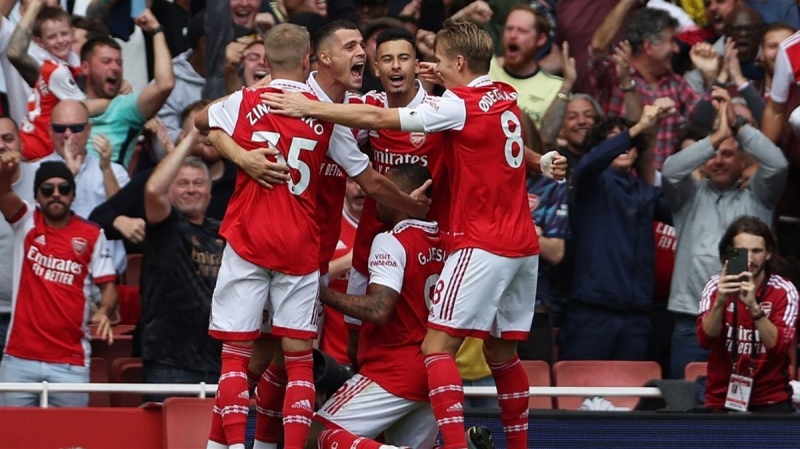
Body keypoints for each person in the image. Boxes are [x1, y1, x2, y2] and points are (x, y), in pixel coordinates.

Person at [263, 20, 566, 449]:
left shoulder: (452, 105)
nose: (429, 67)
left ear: (457, 62)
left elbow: (377, 117)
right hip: (520, 245)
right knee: (502, 354)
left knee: (436, 348)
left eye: (434, 60)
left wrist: (307, 107)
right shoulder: (505, 96)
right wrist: (541, 161)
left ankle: (454, 445)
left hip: (477, 241)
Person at [194, 23, 430, 449]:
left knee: (268, 359)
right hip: (295, 246)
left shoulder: (344, 108)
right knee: (272, 357)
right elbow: (371, 179)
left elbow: (206, 123)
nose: (362, 53)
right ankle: (229, 442)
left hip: (291, 248)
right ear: (317, 59)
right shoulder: (309, 109)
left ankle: (244, 444)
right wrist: (243, 157)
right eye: (350, 46)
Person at [662, 88, 788, 378]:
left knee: (741, 401)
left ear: (743, 160)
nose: (718, 160)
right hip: (691, 317)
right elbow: (670, 171)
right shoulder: (687, 196)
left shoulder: (758, 197)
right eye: (714, 155)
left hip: (745, 319)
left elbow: (778, 164)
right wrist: (715, 138)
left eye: (728, 154)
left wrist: (738, 127)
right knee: (684, 400)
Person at [315, 163, 442, 449]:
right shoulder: (442, 240)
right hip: (433, 372)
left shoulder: (390, 240)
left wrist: (318, 292)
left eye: (383, 191)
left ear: (400, 196)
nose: (375, 198)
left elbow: (378, 309)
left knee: (312, 436)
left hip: (393, 371)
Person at [559, 102, 674, 361]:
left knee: (633, 387)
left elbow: (679, 212)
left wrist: (650, 132)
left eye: (629, 142)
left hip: (637, 317)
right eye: (614, 140)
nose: (624, 146)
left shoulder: (645, 191)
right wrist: (637, 129)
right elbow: (591, 162)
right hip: (591, 314)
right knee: (581, 386)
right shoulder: (589, 181)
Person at [0, 158, 117, 407]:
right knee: (12, 432)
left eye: (64, 188)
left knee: (68, 433)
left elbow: (108, 286)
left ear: (73, 194)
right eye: (47, 189)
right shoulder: (26, 220)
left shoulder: (93, 234)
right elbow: (3, 192)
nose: (56, 194)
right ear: (36, 196)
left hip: (70, 362)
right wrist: (5, 172)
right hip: (20, 358)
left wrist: (105, 310)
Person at [139, 126, 224, 402]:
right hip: (169, 364)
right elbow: (153, 189)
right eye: (183, 183)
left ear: (210, 193)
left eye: (198, 183)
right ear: (171, 192)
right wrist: (190, 140)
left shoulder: (225, 233)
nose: (191, 190)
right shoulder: (166, 226)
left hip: (219, 362)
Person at [698, 215, 798, 413]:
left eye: (757, 251)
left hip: (771, 400)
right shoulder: (715, 286)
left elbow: (778, 346)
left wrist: (754, 307)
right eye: (742, 251)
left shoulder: (784, 291)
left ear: (768, 253)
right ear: (730, 253)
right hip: (721, 398)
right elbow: (705, 340)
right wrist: (719, 303)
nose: (750, 260)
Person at [589, 4, 710, 169]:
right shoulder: (616, 72)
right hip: (617, 176)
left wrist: (710, 76)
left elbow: (703, 119)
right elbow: (598, 47)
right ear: (648, 46)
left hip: (662, 180)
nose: (676, 49)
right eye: (672, 41)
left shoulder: (675, 82)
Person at [40, 99, 129, 274]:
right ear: (50, 131)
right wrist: (69, 175)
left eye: (76, 128)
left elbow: (123, 217)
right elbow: (37, 224)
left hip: (108, 276)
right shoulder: (37, 171)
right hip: (57, 276)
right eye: (59, 129)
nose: (68, 135)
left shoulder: (114, 171)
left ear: (88, 130)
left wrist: (106, 169)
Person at [80, 8, 174, 168]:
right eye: (106, 61)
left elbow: (164, 84)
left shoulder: (125, 107)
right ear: (85, 67)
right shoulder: (68, 97)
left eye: (119, 63)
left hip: (108, 181)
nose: (115, 68)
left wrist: (156, 31)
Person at [6, 1, 95, 161]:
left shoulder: (73, 58)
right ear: (40, 41)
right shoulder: (55, 69)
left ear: (72, 32)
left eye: (64, 34)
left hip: (46, 138)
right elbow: (84, 108)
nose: (60, 40)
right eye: (52, 37)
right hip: (39, 144)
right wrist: (112, 101)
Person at [488, 4, 563, 128]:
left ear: (541, 39)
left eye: (522, 31)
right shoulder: (483, 67)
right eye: (509, 29)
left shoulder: (556, 88)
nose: (513, 35)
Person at [0, 117, 35, 356]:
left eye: (8, 139)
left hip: (33, 314)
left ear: (21, 143)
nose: (2, 146)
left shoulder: (44, 181)